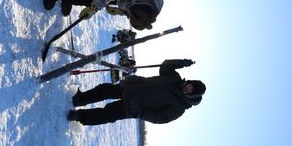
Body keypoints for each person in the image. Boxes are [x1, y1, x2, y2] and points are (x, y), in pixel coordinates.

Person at [66, 59, 206, 125]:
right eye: (190, 85)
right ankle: (80, 99)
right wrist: (181, 62)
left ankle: (79, 116)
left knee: (107, 114)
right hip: (132, 87)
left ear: (192, 96)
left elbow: (160, 117)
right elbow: (165, 65)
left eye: (191, 90)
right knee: (104, 89)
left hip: (134, 107)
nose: (188, 87)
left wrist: (142, 113)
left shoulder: (179, 108)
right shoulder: (174, 78)